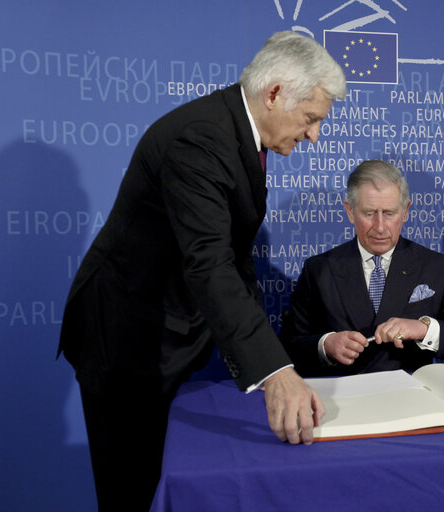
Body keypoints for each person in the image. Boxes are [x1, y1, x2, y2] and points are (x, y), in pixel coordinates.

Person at [57, 31, 345, 510]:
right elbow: (210, 263)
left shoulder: (237, 132)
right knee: (131, 488)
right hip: (126, 338)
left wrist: (273, 359)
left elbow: (236, 257)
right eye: (311, 118)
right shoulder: (201, 136)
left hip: (167, 331)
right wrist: (275, 373)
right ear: (274, 94)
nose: (314, 134)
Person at [281, 160, 444, 377]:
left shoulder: (436, 267)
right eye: (369, 213)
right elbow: (288, 347)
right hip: (345, 401)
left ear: (405, 211)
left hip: (411, 401)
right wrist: (325, 345)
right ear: (350, 211)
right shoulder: (318, 270)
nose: (380, 227)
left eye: (389, 213)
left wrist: (423, 329)